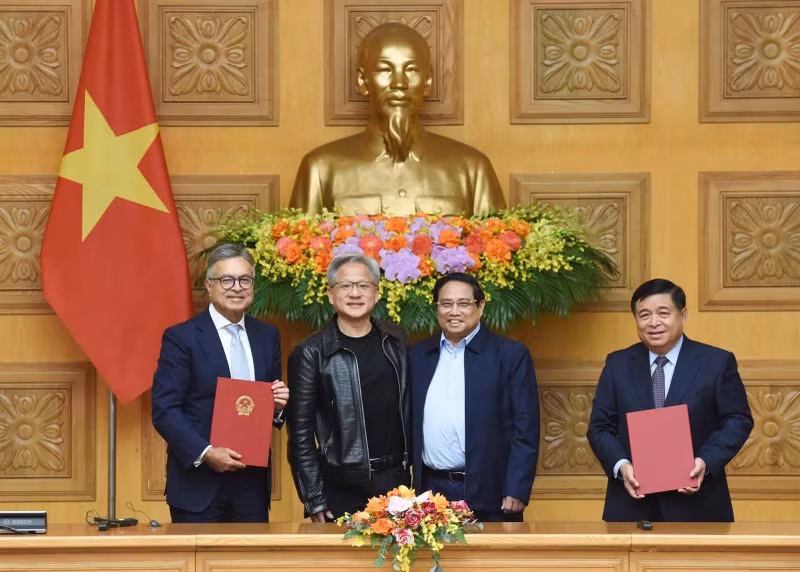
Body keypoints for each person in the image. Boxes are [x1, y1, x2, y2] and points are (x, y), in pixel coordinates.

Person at [289, 22, 505, 217]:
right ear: (362, 80)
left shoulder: (473, 169)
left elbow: (498, 244)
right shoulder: (320, 169)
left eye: (411, 70)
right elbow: (300, 244)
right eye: (385, 70)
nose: (399, 83)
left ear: (428, 81)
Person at [587, 278, 753, 522]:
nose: (654, 322)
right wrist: (621, 466)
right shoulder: (617, 364)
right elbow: (599, 427)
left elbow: (737, 420)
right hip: (632, 507)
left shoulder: (716, 362)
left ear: (683, 315)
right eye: (644, 315)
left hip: (699, 507)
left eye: (663, 313)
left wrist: (705, 461)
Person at [151, 243, 289, 523]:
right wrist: (207, 453)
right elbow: (165, 409)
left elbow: (266, 405)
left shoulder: (267, 336)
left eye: (245, 280)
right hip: (198, 485)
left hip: (251, 486)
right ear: (209, 285)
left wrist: (277, 407)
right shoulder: (182, 338)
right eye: (227, 280)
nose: (237, 288)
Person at [287, 253, 411, 521]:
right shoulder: (311, 352)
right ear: (331, 294)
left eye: (363, 285)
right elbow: (300, 434)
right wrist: (314, 498)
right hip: (341, 486)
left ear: (376, 293)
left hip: (397, 482)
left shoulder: (396, 339)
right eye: (345, 286)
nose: (355, 293)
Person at [410, 273, 540, 522]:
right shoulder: (418, 355)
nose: (454, 311)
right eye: (446, 304)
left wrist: (517, 486)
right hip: (431, 493)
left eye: (463, 303)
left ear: (480, 306)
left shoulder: (510, 355)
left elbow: (526, 428)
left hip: (492, 492)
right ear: (436, 308)